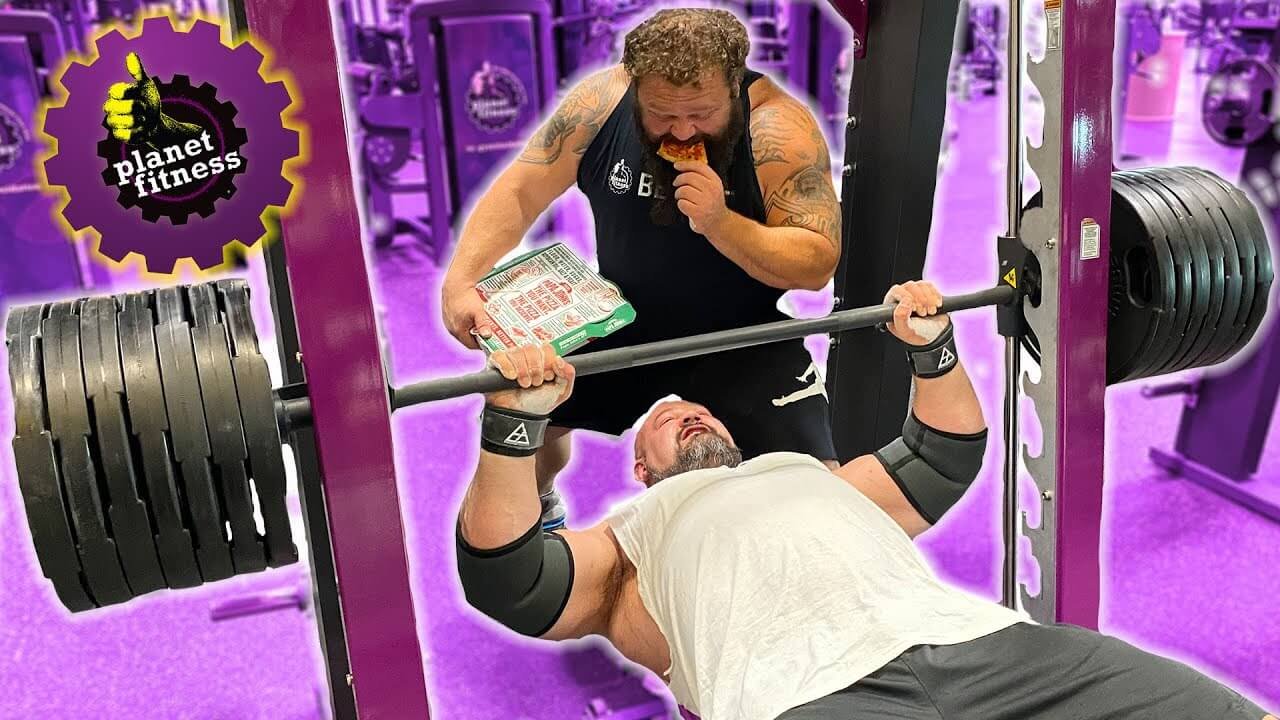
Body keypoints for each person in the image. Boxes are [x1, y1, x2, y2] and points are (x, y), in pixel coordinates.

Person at [454, 280, 1275, 720]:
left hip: (981, 650)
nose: (688, 413)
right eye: (665, 422)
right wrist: (516, 426)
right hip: (805, 699)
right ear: (640, 466)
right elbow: (509, 577)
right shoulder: (629, 537)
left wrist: (932, 348)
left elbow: (941, 454)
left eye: (698, 410)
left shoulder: (810, 474)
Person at [441, 8, 843, 531]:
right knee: (518, 423)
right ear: (633, 86)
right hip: (620, 315)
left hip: (739, 333)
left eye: (702, 113)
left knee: (823, 489)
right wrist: (461, 280)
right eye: (661, 114)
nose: (682, 129)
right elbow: (521, 190)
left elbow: (816, 261)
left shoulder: (778, 129)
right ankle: (539, 506)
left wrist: (720, 223)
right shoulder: (599, 104)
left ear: (734, 86)